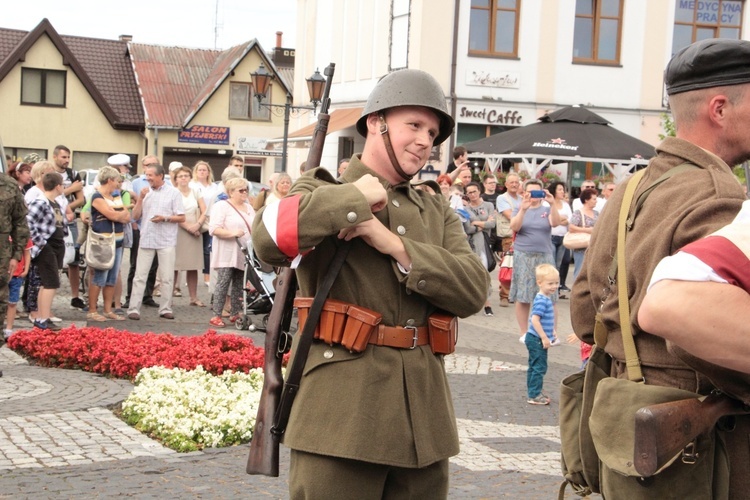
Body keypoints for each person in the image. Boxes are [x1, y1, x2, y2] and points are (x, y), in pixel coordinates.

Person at [252, 68, 489, 499]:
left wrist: (393, 244)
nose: (425, 141)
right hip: (340, 419)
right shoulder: (324, 189)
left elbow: (473, 289)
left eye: (433, 133)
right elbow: (268, 239)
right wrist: (356, 199)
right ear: (376, 123)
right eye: (413, 125)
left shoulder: (434, 210)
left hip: (424, 420)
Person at [571, 38, 750, 496]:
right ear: (719, 109)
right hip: (698, 446)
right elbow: (707, 328)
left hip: (622, 423)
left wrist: (633, 357)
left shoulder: (630, 188)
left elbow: (583, 313)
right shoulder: (719, 196)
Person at [638, 199, 750, 373]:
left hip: (640, 367)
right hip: (677, 376)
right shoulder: (716, 191)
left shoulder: (632, 190)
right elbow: (668, 301)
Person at [127, 163, 185, 321]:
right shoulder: (145, 192)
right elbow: (136, 216)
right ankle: (133, 309)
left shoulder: (174, 193)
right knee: (140, 275)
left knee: (166, 277)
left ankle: (165, 308)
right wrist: (140, 198)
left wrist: (164, 218)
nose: (148, 178)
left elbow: (181, 217)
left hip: (166, 240)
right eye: (146, 175)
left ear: (160, 175)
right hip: (147, 238)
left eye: (150, 175)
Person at [509, 179, 560, 339]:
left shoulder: (546, 208)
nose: (534, 196)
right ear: (524, 193)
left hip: (544, 255)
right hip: (523, 255)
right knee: (523, 295)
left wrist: (553, 204)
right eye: (530, 192)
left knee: (549, 294)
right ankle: (524, 332)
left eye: (537, 192)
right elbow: (514, 227)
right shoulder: (519, 207)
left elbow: (555, 223)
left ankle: (551, 331)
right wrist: (523, 210)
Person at [85, 167, 131, 322]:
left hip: (117, 241)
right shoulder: (97, 197)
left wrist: (117, 215)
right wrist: (118, 215)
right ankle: (92, 310)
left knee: (112, 277)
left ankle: (107, 309)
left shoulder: (116, 196)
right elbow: (112, 214)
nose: (119, 184)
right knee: (99, 276)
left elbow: (126, 216)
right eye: (117, 180)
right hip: (103, 242)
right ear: (110, 180)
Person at [207, 177, 254, 327]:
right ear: (231, 192)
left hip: (243, 251)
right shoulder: (222, 206)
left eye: (246, 189)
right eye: (241, 190)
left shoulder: (249, 207)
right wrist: (232, 232)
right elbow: (213, 229)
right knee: (224, 281)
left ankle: (234, 313)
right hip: (227, 251)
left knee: (239, 283)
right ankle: (216, 315)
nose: (244, 192)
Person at [26, 172, 67, 331]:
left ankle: (44, 317)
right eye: (62, 185)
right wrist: (41, 242)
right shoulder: (41, 202)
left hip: (57, 244)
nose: (63, 187)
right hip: (47, 245)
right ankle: (42, 319)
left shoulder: (54, 202)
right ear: (57, 186)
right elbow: (28, 222)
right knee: (50, 282)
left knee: (48, 283)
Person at [123, 155, 160, 310]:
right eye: (147, 165)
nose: (149, 167)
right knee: (135, 264)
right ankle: (130, 296)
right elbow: (133, 204)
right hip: (140, 227)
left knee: (154, 264)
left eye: (153, 164)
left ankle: (147, 295)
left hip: (157, 229)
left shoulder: (165, 184)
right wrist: (133, 223)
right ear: (143, 167)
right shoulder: (136, 183)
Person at [0, 169, 30, 355]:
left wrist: (16, 255)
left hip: (2, 256)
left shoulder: (9, 185)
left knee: (0, 302)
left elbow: (20, 224)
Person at [52, 145, 86, 310]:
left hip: (70, 220)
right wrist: (70, 190)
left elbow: (81, 199)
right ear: (55, 157)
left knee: (74, 258)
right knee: (53, 257)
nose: (66, 160)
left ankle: (75, 296)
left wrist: (68, 208)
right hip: (51, 220)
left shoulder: (73, 174)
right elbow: (49, 195)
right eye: (63, 157)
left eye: (68, 157)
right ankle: (48, 295)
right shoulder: (49, 173)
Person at [524, 264, 561, 405]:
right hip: (536, 339)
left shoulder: (545, 298)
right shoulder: (542, 300)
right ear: (539, 283)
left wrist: (552, 331)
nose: (554, 286)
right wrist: (544, 337)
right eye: (550, 283)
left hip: (536, 338)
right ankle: (534, 394)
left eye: (556, 283)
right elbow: (535, 319)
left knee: (534, 366)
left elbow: (546, 319)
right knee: (539, 367)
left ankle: (534, 390)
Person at [171, 165, 207, 306]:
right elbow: (173, 213)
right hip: (178, 230)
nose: (183, 178)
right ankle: (170, 298)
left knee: (193, 265)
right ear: (176, 179)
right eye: (180, 176)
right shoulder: (173, 192)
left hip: (195, 230)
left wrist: (197, 225)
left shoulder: (196, 191)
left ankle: (193, 297)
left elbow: (204, 210)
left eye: (186, 175)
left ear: (190, 177)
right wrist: (188, 227)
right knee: (174, 265)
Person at [462, 181, 496, 316]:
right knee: (472, 273)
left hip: (485, 244)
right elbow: (468, 228)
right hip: (471, 245)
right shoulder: (465, 209)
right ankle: (473, 302)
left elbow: (492, 224)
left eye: (474, 191)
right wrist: (481, 225)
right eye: (469, 193)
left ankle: (487, 304)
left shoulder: (488, 205)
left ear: (479, 191)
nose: (472, 194)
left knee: (484, 273)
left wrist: (476, 222)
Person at [495, 172, 522, 306]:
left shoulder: (522, 198)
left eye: (516, 182)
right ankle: (504, 296)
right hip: (508, 235)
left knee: (519, 265)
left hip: (522, 235)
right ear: (506, 184)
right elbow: (509, 215)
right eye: (511, 182)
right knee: (507, 265)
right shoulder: (502, 198)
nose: (514, 184)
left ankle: (514, 293)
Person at [190, 161, 214, 287]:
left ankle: (207, 276)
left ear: (208, 172)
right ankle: (190, 277)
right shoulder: (192, 185)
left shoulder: (213, 186)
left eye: (205, 170)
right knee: (193, 249)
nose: (202, 172)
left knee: (207, 249)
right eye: (200, 170)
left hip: (209, 220)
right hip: (196, 219)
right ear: (196, 172)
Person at [547, 181, 572, 297]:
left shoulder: (566, 205)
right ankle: (547, 288)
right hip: (550, 237)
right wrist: (560, 219)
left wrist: (559, 220)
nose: (563, 192)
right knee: (550, 263)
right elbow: (551, 220)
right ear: (554, 191)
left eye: (563, 189)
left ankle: (555, 289)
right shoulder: (547, 204)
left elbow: (569, 220)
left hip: (562, 237)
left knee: (558, 264)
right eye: (560, 189)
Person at [568, 187, 599, 280]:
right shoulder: (578, 213)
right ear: (586, 200)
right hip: (581, 248)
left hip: (594, 247)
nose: (596, 201)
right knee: (579, 271)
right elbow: (571, 227)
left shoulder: (597, 213)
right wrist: (587, 230)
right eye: (594, 199)